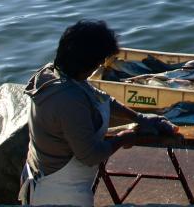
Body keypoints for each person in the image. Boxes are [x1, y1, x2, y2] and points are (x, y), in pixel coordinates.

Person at [20, 20, 178, 206]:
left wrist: (140, 118)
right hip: (58, 192)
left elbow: (102, 99)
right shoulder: (68, 99)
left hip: (44, 174)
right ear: (85, 62)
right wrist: (123, 138)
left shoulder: (56, 73)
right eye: (99, 62)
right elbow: (90, 155)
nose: (101, 65)